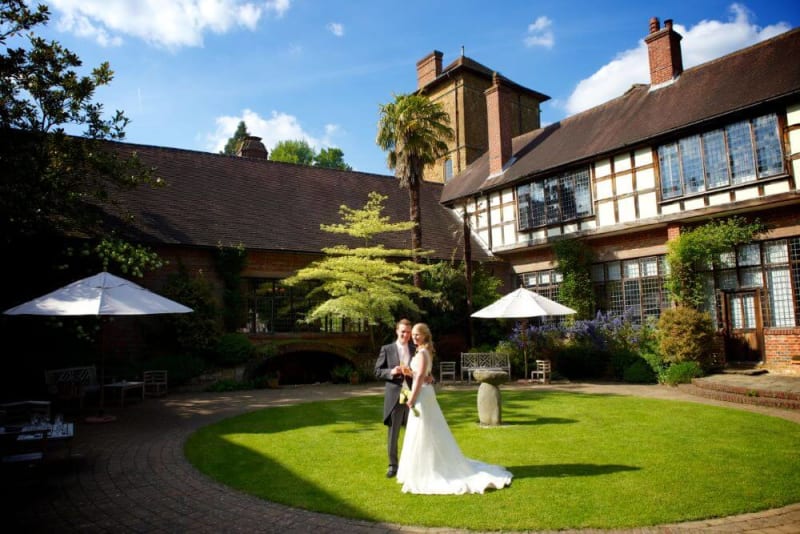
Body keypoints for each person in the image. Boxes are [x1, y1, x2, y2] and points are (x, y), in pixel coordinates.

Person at [396, 323, 513, 494]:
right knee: (427, 430)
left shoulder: (422, 353)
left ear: (425, 336)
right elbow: (425, 375)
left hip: (421, 395)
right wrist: (411, 373)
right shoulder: (424, 351)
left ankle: (427, 470)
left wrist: (412, 398)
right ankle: (426, 465)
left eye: (417, 335)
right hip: (425, 393)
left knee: (424, 430)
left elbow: (421, 376)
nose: (414, 337)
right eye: (413, 334)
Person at [374, 318, 415, 478]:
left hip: (414, 396)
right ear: (397, 331)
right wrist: (392, 371)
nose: (406, 335)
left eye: (408, 332)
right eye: (403, 331)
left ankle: (412, 463)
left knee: (415, 431)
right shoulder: (387, 349)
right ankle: (393, 465)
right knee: (394, 433)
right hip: (395, 397)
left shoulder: (415, 348)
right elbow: (377, 371)